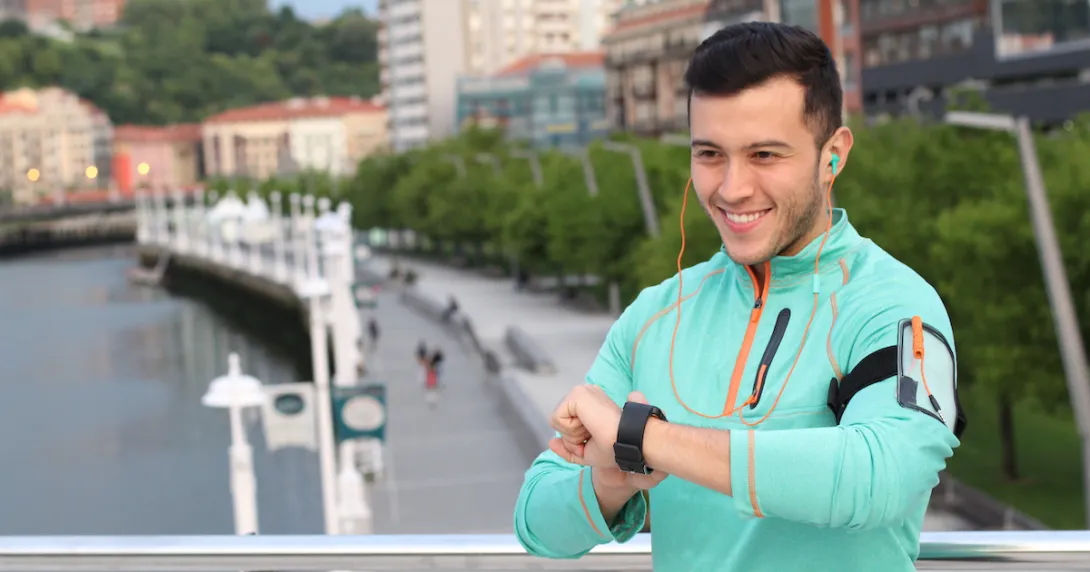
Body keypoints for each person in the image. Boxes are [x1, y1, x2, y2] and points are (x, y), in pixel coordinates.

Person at [513, 22, 966, 572]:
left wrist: (645, 439)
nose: (731, 188)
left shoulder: (893, 304)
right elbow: (537, 523)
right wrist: (611, 480)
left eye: (765, 155)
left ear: (834, 155)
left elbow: (879, 480)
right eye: (709, 154)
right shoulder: (655, 313)